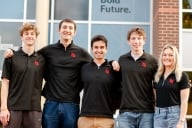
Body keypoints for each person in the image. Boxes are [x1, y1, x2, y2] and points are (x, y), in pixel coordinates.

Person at [3, 18, 120, 128]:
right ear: (59, 30)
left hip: (71, 104)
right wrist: (13, 52)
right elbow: (29, 56)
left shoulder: (81, 53)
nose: (67, 30)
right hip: (51, 103)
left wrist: (112, 62)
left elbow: (97, 62)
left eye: (70, 28)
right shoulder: (48, 50)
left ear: (74, 32)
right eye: (64, 27)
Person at [0, 23, 45, 128]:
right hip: (13, 108)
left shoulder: (42, 59)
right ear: (22, 37)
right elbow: (5, 83)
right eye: (26, 33)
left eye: (32, 34)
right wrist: (3, 108)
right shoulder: (11, 57)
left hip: (34, 108)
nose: (29, 36)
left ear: (36, 37)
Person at [115, 27, 158, 128]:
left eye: (139, 38)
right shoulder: (122, 60)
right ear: (128, 41)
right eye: (133, 38)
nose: (136, 41)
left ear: (144, 41)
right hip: (126, 112)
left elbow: (158, 85)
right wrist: (111, 62)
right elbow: (115, 82)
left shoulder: (152, 61)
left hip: (147, 112)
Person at [78, 35, 121, 128]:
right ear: (92, 49)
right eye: (96, 47)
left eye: (102, 47)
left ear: (106, 49)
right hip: (85, 117)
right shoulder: (84, 68)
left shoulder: (113, 69)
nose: (99, 50)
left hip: (106, 118)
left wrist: (114, 108)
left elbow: (120, 91)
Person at [153, 44, 191, 128]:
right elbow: (156, 98)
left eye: (170, 55)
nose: (167, 57)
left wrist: (181, 121)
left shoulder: (181, 75)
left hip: (175, 115)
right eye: (164, 55)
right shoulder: (157, 76)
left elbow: (184, 102)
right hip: (159, 116)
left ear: (175, 57)